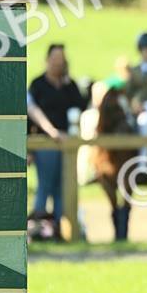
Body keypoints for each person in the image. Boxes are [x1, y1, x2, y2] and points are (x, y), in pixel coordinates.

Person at [27, 44, 86, 226]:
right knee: (45, 184)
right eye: (54, 58)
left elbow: (81, 106)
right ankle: (38, 227)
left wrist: (68, 83)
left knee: (63, 188)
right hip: (45, 142)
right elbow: (29, 117)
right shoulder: (38, 85)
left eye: (60, 59)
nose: (57, 62)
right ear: (48, 59)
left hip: (66, 142)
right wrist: (29, 148)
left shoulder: (69, 85)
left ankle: (61, 228)